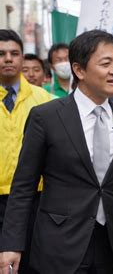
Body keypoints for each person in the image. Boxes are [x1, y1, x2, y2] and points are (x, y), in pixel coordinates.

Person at [0, 30, 113, 274]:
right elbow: (23, 188)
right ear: (79, 70)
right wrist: (11, 245)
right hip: (60, 244)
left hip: (112, 243)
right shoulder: (46, 117)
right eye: (106, 63)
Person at [0, 30, 51, 274]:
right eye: (1, 54)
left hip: (35, 199)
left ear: (23, 58)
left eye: (14, 53)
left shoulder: (45, 100)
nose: (8, 59)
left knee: (31, 264)